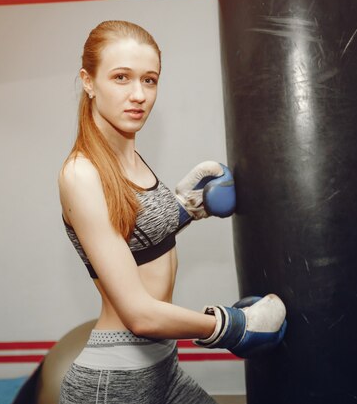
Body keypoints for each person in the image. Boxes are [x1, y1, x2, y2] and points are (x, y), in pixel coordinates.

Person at [57, 20, 286, 404]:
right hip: (115, 383)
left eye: (149, 80)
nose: (138, 94)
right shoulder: (81, 173)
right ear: (89, 81)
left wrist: (185, 209)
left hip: (162, 368)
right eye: (121, 77)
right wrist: (233, 326)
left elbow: (133, 239)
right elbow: (140, 315)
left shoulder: (129, 157)